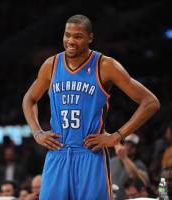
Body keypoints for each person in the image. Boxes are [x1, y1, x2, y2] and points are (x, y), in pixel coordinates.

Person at [22, 14, 160, 199]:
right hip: (57, 154)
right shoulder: (51, 65)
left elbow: (150, 102)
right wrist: (37, 132)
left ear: (90, 38)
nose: (70, 41)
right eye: (67, 35)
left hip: (90, 154)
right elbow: (29, 99)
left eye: (77, 36)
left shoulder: (106, 65)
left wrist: (116, 137)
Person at [111, 133, 150, 199]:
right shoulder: (112, 161)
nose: (129, 148)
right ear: (123, 144)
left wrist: (124, 157)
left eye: (132, 146)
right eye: (127, 144)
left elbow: (137, 178)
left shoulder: (140, 165)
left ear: (136, 149)